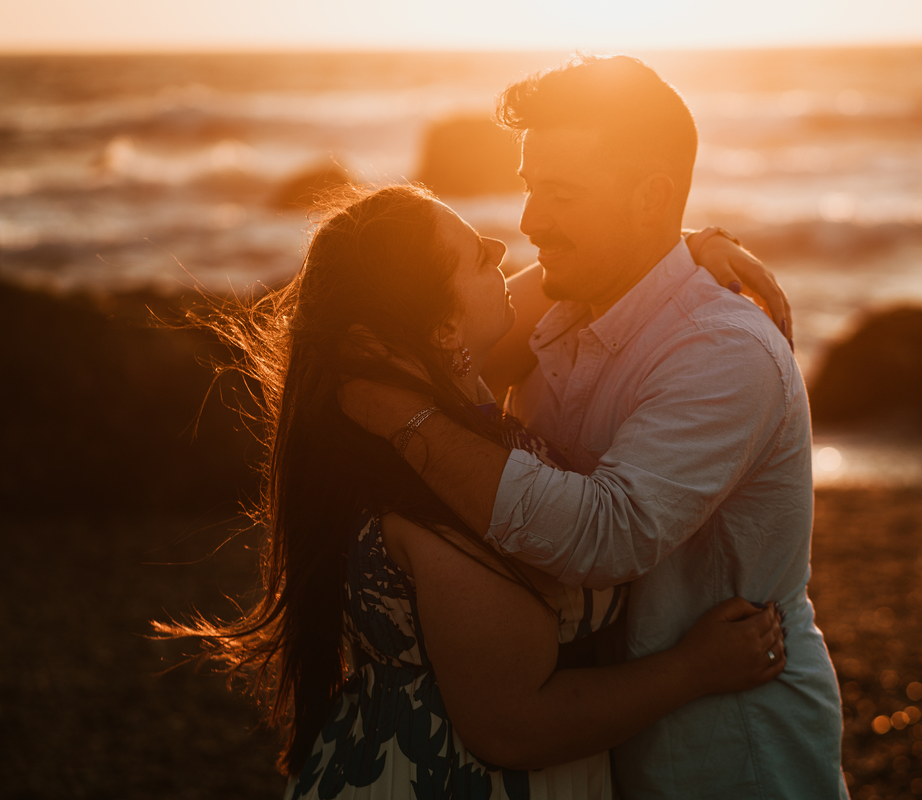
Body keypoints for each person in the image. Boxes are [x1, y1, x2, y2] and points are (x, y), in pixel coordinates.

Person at [157, 183, 791, 800]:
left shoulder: (425, 409)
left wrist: (686, 246)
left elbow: (592, 268)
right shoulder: (443, 488)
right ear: (438, 331)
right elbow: (513, 727)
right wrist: (694, 670)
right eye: (475, 257)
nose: (500, 244)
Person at [343, 55, 848, 799]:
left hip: (727, 749)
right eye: (531, 188)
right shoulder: (564, 302)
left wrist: (403, 417)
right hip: (594, 744)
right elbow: (429, 334)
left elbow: (605, 536)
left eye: (562, 194)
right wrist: (684, 244)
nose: (529, 221)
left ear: (651, 199)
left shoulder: (723, 352)